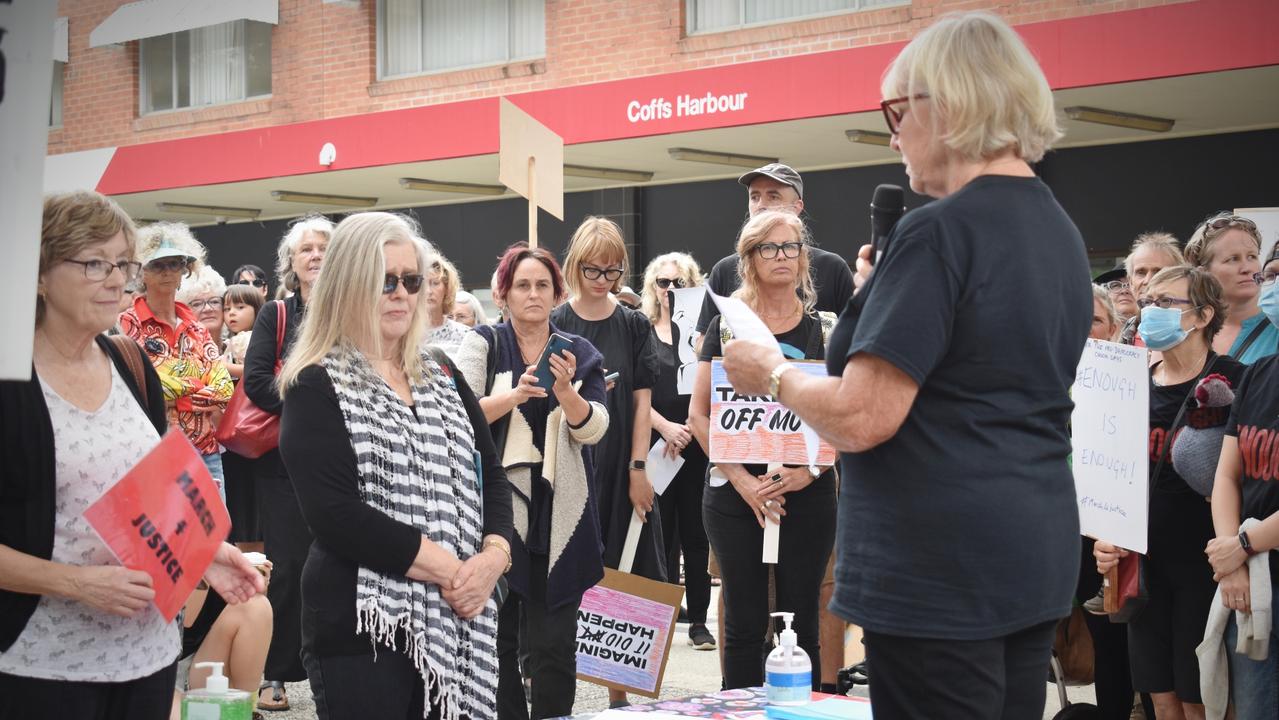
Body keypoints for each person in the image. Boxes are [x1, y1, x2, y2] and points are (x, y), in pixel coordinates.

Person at [721, 12, 1091, 717]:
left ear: (947, 103)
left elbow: (863, 417)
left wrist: (771, 372)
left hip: (936, 567)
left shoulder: (938, 231)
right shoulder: (1057, 228)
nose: (890, 132)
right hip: (1029, 547)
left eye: (895, 109)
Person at [0, 190, 265, 720]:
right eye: (95, 263)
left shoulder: (129, 361)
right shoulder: (11, 382)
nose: (117, 278)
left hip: (147, 656)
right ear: (39, 275)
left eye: (123, 263)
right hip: (44, 664)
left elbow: (155, 488)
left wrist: (206, 553)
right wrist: (73, 582)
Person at [275, 212, 511, 720]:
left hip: (465, 616)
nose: (401, 293)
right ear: (346, 285)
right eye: (384, 281)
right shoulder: (315, 383)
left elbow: (489, 473)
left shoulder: (444, 373)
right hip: (364, 630)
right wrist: (454, 572)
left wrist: (493, 559)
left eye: (411, 280)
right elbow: (334, 514)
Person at [454, 243, 609, 720]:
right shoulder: (483, 342)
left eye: (543, 285)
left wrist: (565, 392)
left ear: (558, 293)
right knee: (496, 641)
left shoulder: (578, 352)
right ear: (503, 293)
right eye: (522, 285)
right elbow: (457, 412)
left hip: (560, 511)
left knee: (555, 646)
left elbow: (596, 427)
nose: (533, 294)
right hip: (494, 510)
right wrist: (514, 396)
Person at [689, 211, 836, 691]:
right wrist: (743, 482)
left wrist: (808, 471)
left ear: (803, 257)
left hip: (807, 493)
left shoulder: (826, 331)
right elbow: (699, 416)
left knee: (804, 626)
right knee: (745, 627)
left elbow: (842, 412)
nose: (781, 257)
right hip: (736, 496)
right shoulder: (727, 328)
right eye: (768, 248)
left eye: (790, 246)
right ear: (749, 259)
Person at [1093, 266, 1245, 720]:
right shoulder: (1128, 378)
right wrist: (1104, 537)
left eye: (1165, 302)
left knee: (1202, 699)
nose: (1148, 311)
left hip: (1204, 565)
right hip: (1141, 566)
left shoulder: (1236, 381)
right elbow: (1106, 473)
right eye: (1147, 301)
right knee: (1159, 696)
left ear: (1201, 316)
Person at [551, 219, 664, 710]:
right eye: (593, 270)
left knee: (626, 573)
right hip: (569, 465)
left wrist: (639, 467)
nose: (603, 280)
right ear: (575, 264)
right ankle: (554, 685)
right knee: (564, 577)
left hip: (621, 466)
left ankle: (620, 693)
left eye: (613, 271)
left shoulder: (634, 324)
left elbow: (643, 403)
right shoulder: (556, 322)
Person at [243, 213, 333, 711]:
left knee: (340, 560)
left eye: (324, 247)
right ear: (292, 263)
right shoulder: (276, 314)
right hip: (282, 462)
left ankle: (331, 667)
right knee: (289, 564)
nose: (316, 255)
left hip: (343, 460)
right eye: (307, 249)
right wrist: (308, 405)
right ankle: (275, 673)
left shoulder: (354, 309)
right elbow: (256, 380)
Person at [1204, 256, 1279, 719]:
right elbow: (1227, 475)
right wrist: (1232, 563)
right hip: (1252, 583)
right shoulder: (1259, 372)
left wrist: (1243, 545)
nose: (1270, 283)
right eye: (1273, 275)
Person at [119, 223, 233, 499]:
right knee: (167, 537)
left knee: (216, 537)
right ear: (141, 272)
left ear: (185, 270)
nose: (168, 271)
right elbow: (137, 389)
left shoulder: (197, 328)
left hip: (206, 450)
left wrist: (173, 390)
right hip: (154, 450)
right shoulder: (126, 325)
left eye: (176, 263)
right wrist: (192, 387)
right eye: (158, 264)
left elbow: (224, 390)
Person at [640, 252, 714, 650]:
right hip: (659, 446)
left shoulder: (703, 335)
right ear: (653, 287)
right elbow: (637, 395)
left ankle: (700, 621)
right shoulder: (643, 330)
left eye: (678, 283)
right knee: (660, 535)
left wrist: (691, 427)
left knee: (696, 536)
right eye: (663, 283)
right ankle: (663, 620)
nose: (670, 290)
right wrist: (665, 427)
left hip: (697, 445)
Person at [694, 162, 854, 335]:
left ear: (797, 207)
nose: (761, 205)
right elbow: (703, 343)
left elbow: (856, 337)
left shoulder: (832, 268)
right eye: (754, 197)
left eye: (773, 197)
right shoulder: (724, 270)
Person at [1184, 213, 1278, 364]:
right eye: (1233, 259)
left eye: (1252, 256)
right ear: (1204, 273)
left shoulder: (1275, 328)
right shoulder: (1188, 331)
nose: (1247, 268)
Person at [220, 283, 265, 545]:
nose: (231, 314)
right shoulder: (229, 343)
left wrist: (224, 367)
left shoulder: (255, 339)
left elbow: (253, 372)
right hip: (233, 436)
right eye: (227, 308)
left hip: (251, 429)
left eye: (240, 307)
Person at [1118, 232, 1186, 346]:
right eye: (1141, 272)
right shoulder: (1128, 329)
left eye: (1158, 272)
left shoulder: (1191, 328)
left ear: (1179, 280)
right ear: (1130, 282)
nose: (1148, 280)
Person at [178, 266, 229, 356]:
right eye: (197, 304)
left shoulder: (238, 347)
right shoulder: (179, 355)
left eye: (214, 301)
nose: (207, 309)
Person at [425, 254, 470, 357]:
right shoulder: (402, 335)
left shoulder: (466, 335)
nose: (428, 291)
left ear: (447, 288)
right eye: (422, 284)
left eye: (435, 283)